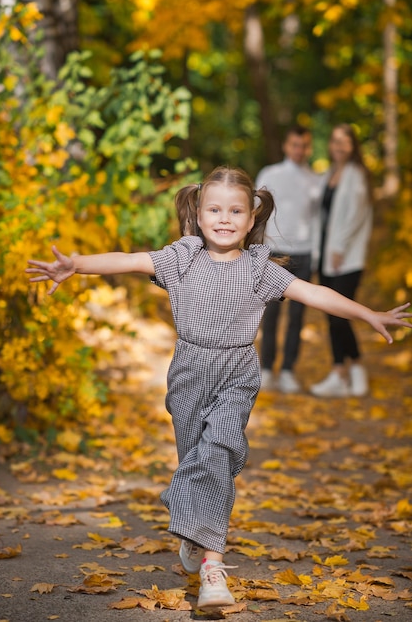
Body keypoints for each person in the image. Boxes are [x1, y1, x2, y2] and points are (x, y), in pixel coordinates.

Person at [26, 166, 411, 613]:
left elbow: (315, 294)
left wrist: (368, 315)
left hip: (237, 371)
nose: (224, 218)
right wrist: (77, 266)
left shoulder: (259, 269)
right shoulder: (181, 258)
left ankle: (213, 569)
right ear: (199, 211)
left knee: (218, 453)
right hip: (189, 370)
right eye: (215, 209)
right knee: (198, 459)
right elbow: (129, 260)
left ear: (251, 219)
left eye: (235, 210)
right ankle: (195, 531)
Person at [310, 124, 374, 398]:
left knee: (340, 315)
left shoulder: (356, 175)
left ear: (353, 146)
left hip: (346, 257)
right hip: (326, 254)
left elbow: (356, 216)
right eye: (335, 141)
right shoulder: (328, 175)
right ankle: (338, 373)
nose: (338, 146)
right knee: (330, 312)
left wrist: (339, 247)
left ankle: (357, 367)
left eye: (344, 142)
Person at [256, 125, 319, 393]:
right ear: (286, 145)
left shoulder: (316, 180)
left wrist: (315, 255)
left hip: (304, 253)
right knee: (269, 314)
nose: (298, 150)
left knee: (297, 316)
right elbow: (258, 214)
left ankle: (288, 371)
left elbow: (318, 221)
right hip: (274, 252)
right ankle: (267, 368)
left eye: (303, 145)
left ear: (309, 148)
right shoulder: (270, 174)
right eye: (294, 144)